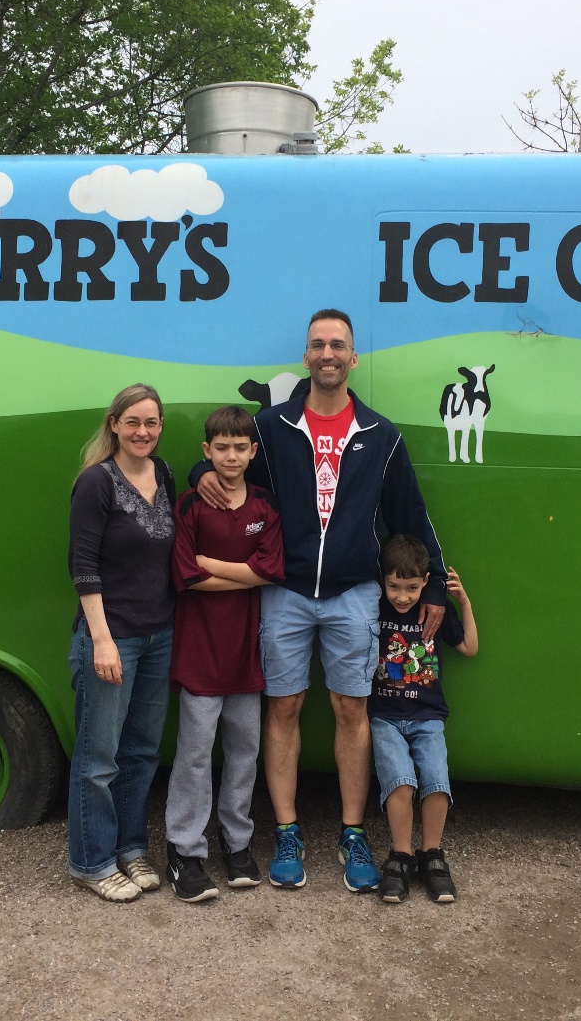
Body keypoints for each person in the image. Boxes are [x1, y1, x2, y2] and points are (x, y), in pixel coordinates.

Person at [194, 309, 448, 893]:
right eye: (317, 345)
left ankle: (353, 832)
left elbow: (411, 514)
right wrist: (198, 474)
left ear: (352, 359)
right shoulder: (271, 425)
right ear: (304, 358)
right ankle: (287, 830)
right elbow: (225, 463)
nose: (327, 353)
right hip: (283, 590)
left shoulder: (380, 435)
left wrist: (433, 585)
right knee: (282, 708)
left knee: (351, 710)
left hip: (355, 594)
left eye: (338, 345)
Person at [163, 406, 284, 902]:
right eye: (222, 448)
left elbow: (272, 572)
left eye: (241, 447)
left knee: (244, 752)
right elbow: (185, 577)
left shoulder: (265, 507)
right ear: (206, 451)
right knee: (193, 754)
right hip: (199, 650)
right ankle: (184, 852)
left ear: (253, 453)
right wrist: (238, 570)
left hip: (245, 653)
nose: (231, 455)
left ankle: (236, 843)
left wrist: (213, 563)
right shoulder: (191, 504)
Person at [66, 383, 176, 902]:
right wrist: (102, 641)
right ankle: (92, 861)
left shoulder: (167, 474)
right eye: (132, 421)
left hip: (160, 635)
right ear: (114, 423)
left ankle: (131, 849)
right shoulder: (96, 483)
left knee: (141, 752)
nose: (142, 432)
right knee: (98, 757)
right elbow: (82, 568)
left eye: (151, 423)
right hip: (113, 639)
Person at [369, 535, 479, 904]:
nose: (402, 596)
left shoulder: (436, 609)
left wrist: (461, 601)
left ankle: (432, 856)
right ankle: (400, 856)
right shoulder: (375, 608)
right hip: (384, 716)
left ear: (424, 583)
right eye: (394, 586)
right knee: (399, 782)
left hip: (428, 717)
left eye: (412, 587)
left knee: (435, 781)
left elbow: (468, 646)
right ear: (383, 582)